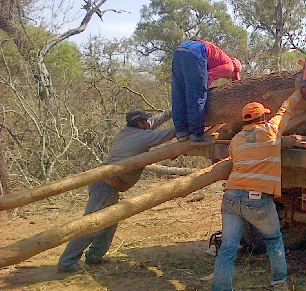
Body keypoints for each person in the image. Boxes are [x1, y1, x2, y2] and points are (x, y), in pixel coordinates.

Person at [57, 109, 176, 272]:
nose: (150, 122)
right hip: (105, 184)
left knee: (110, 222)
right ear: (140, 124)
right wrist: (194, 122)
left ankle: (95, 256)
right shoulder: (142, 138)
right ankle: (67, 262)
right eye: (146, 121)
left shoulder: (133, 130)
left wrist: (173, 111)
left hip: (109, 183)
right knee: (93, 224)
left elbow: (158, 118)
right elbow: (171, 133)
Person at [211, 91, 305, 291]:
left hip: (231, 196)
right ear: (263, 117)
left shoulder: (236, 139)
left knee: (228, 248)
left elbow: (237, 161)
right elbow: (285, 110)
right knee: (273, 239)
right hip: (256, 199)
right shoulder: (271, 130)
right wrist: (298, 93)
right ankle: (279, 283)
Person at [171, 39, 243, 143]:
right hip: (197, 51)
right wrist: (203, 90)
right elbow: (208, 77)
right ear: (235, 70)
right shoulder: (230, 67)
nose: (229, 78)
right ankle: (196, 134)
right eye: (233, 76)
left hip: (180, 50)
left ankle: (181, 132)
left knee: (179, 92)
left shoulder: (220, 58)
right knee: (197, 95)